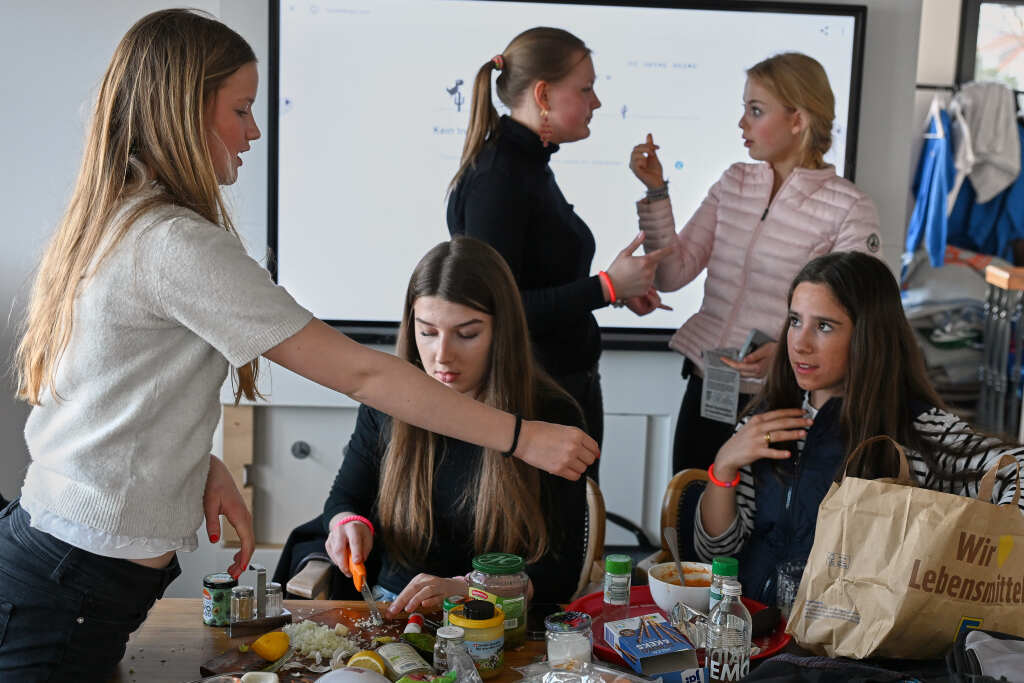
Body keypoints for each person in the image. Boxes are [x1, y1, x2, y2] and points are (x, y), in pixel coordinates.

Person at [0, 11, 597, 680]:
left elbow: (115, 390)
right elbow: (364, 375)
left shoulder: (126, 220)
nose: (254, 130)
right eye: (240, 109)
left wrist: (194, 464)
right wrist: (520, 436)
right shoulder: (172, 243)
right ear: (185, 110)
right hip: (69, 582)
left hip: (68, 568)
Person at [695, 251, 1024, 605]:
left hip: (848, 637)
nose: (800, 343)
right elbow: (715, 555)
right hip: (749, 626)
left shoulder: (917, 428)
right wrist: (724, 466)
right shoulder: (764, 423)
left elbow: (1016, 470)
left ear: (868, 335)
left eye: (824, 326)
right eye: (795, 321)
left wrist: (969, 563)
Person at [628, 52, 883, 475]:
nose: (742, 123)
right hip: (708, 388)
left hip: (784, 401)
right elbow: (672, 274)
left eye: (756, 110)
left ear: (797, 119)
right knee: (690, 504)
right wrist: (656, 193)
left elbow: (861, 316)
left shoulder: (850, 208)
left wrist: (785, 352)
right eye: (744, 109)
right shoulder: (733, 182)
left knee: (757, 515)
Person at [447, 27, 672, 474]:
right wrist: (605, 287)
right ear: (543, 94)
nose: (597, 102)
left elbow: (535, 277)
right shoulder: (500, 177)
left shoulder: (527, 164)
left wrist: (617, 290)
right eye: (586, 89)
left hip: (559, 390)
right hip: (533, 404)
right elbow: (500, 309)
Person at [322, 237, 587, 613]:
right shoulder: (386, 401)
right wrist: (347, 523)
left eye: (467, 334)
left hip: (499, 617)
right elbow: (345, 498)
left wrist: (468, 589)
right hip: (393, 608)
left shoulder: (553, 417)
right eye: (427, 332)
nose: (442, 355)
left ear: (502, 332)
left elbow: (561, 573)